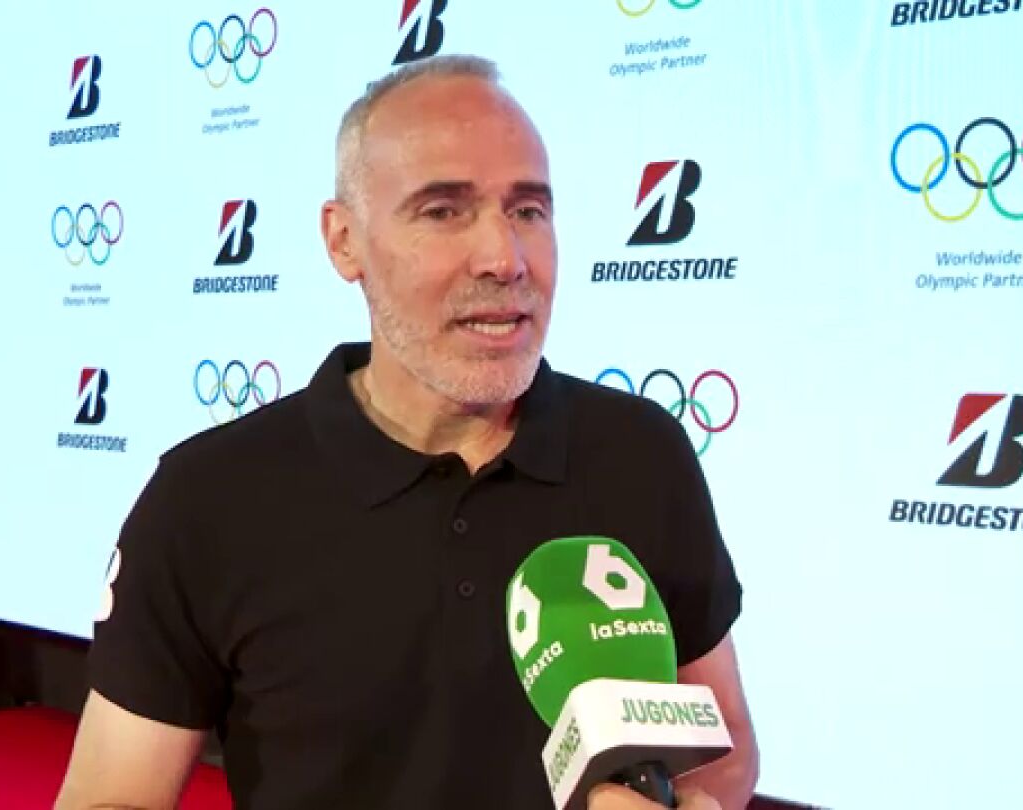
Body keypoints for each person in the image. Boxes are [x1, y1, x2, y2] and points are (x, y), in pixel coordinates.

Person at [55, 54, 758, 810]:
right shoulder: (208, 499)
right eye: (443, 210)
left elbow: (721, 755)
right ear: (344, 241)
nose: (504, 258)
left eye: (528, 210)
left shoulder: (642, 455)